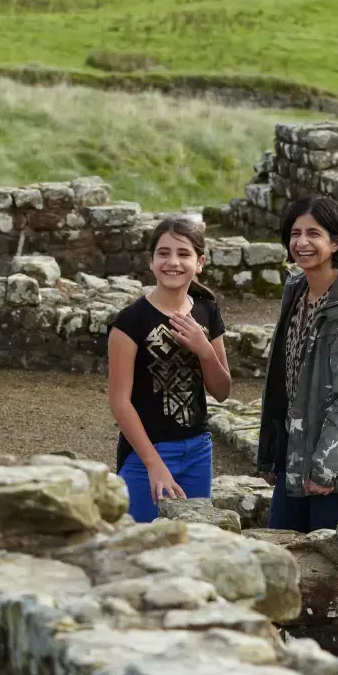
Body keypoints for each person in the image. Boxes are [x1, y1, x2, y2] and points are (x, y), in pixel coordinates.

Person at [257, 196, 338, 532]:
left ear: (335, 243)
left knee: (326, 572)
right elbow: (284, 381)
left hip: (336, 467)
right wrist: (275, 451)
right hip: (295, 450)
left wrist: (326, 469)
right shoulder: (297, 291)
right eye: (295, 233)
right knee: (283, 556)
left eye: (313, 233)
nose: (302, 242)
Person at [107, 216, 232, 523]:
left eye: (183, 253)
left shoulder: (207, 311)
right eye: (163, 253)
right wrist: (154, 464)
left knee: (193, 544)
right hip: (145, 454)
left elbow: (222, 391)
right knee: (140, 547)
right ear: (151, 262)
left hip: (198, 452)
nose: (172, 262)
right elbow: (120, 402)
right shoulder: (129, 322)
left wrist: (204, 349)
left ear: (199, 262)